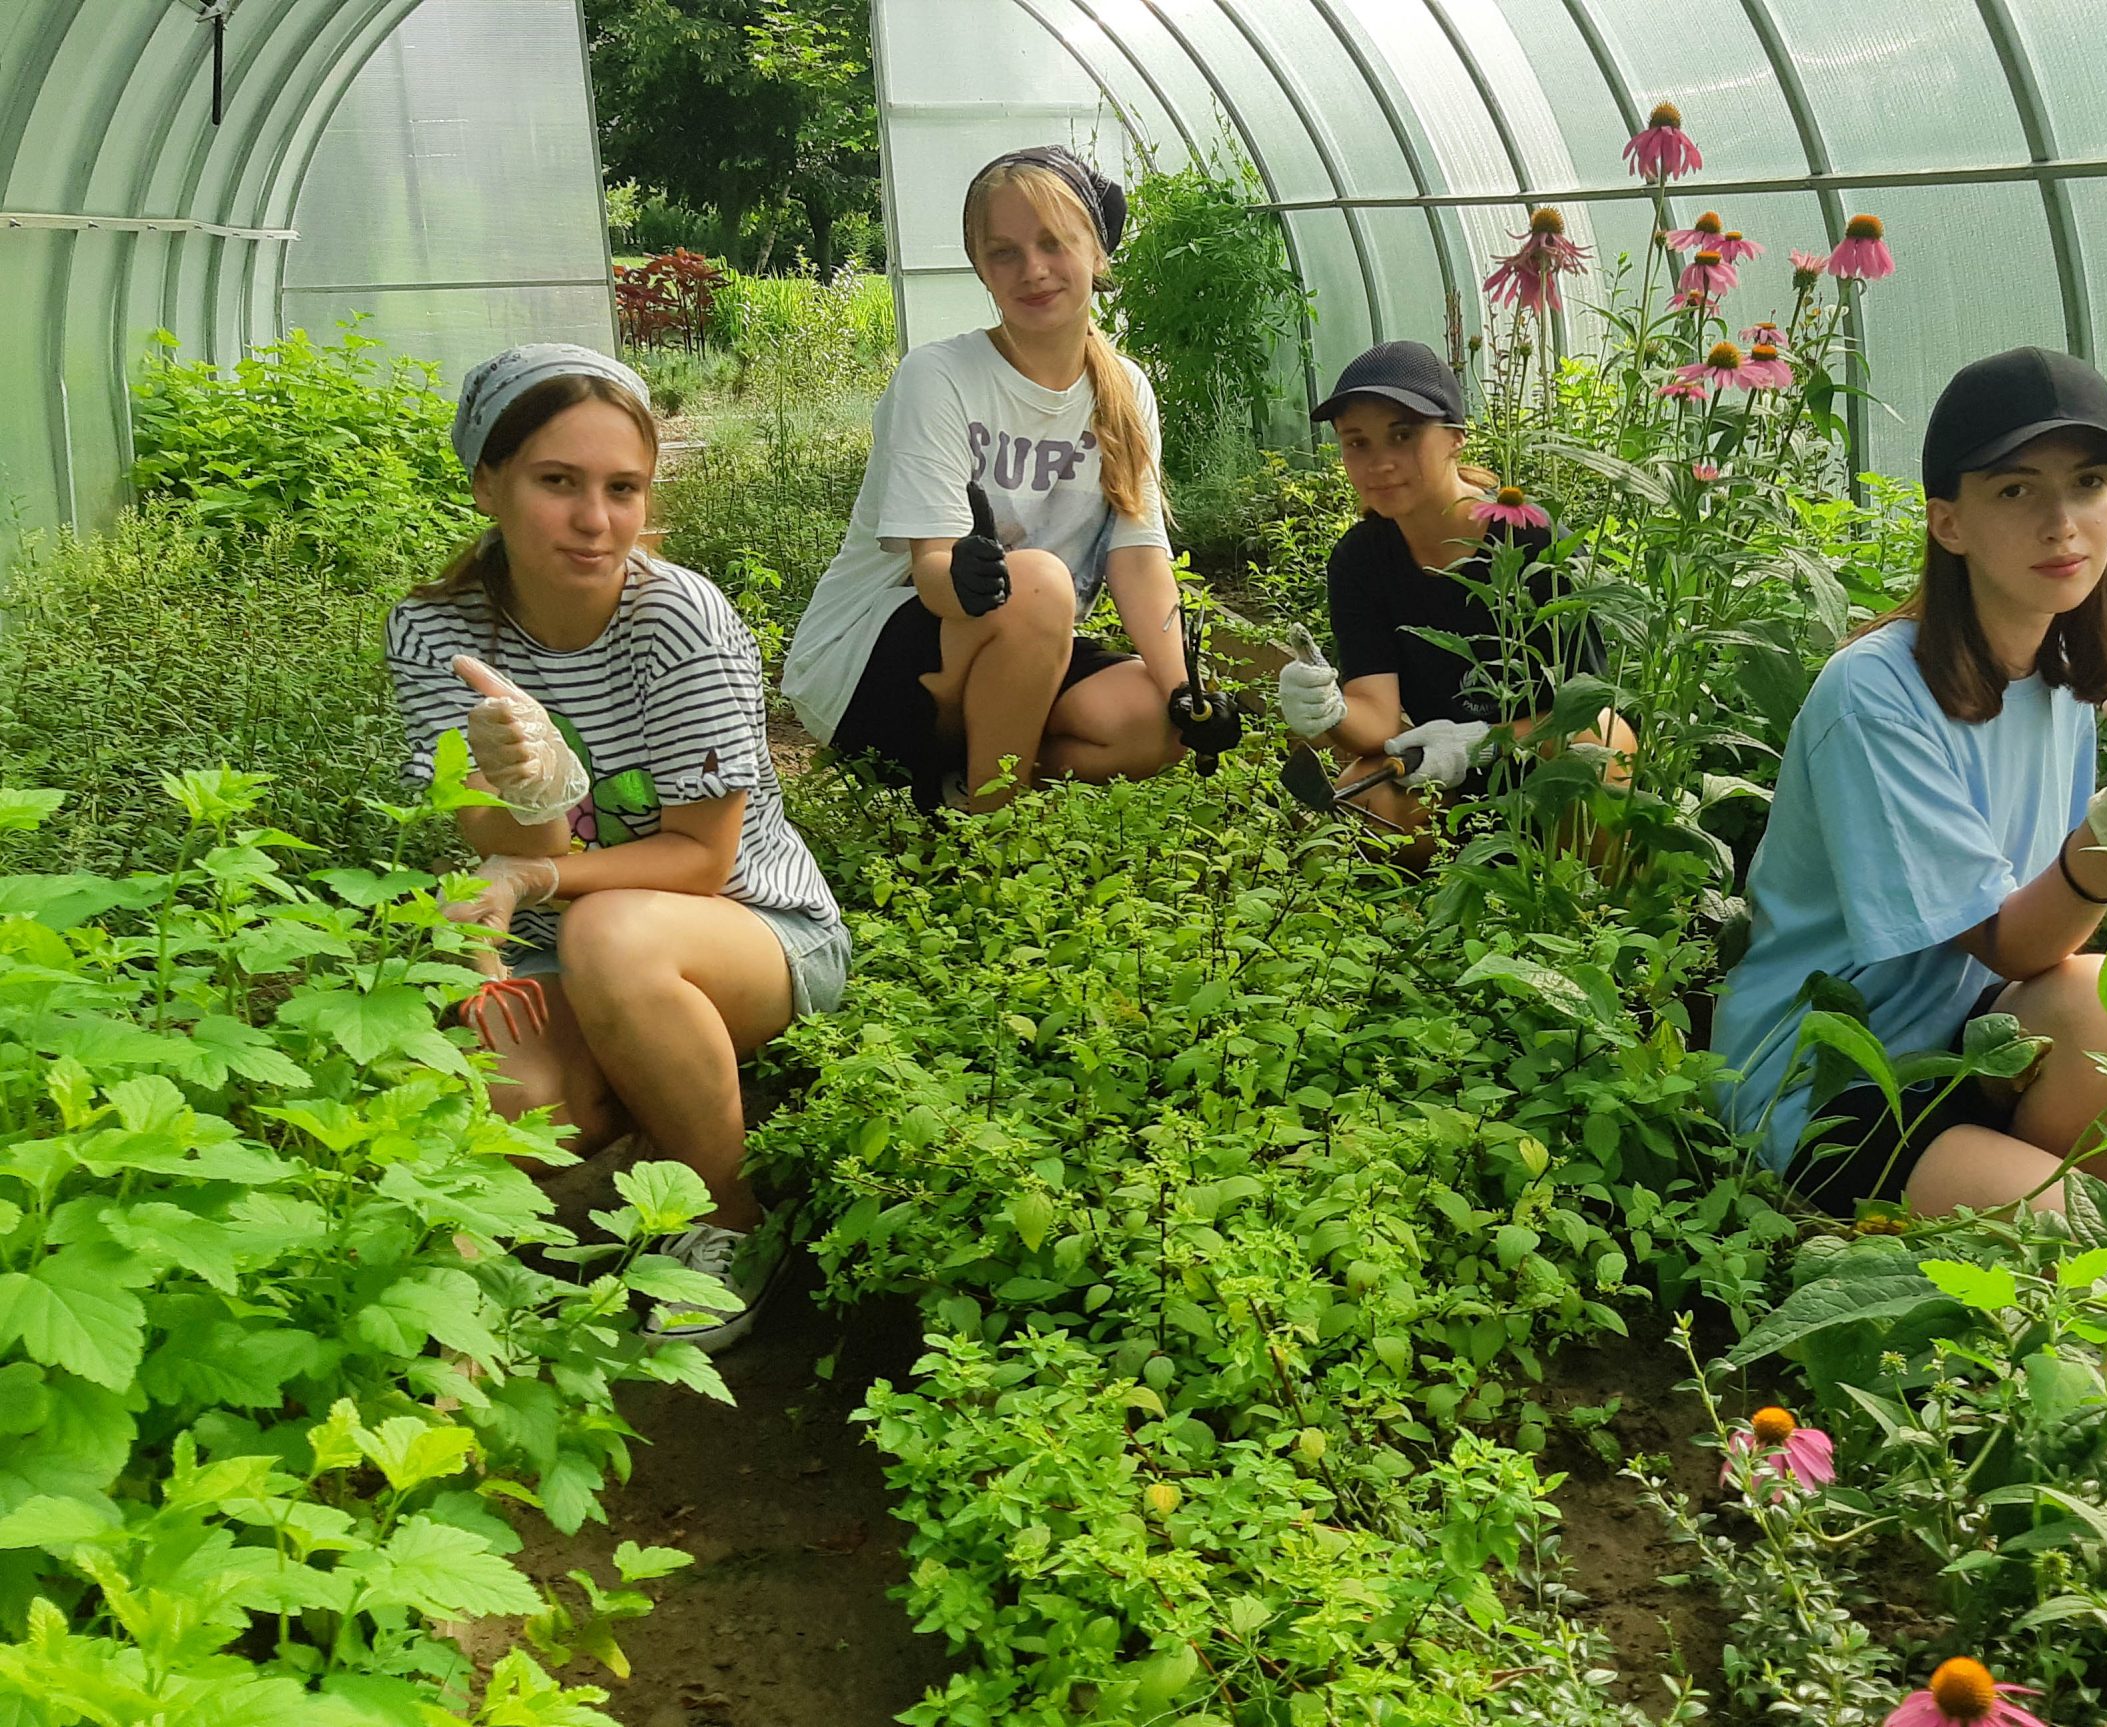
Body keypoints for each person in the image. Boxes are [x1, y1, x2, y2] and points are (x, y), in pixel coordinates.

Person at [386, 343, 849, 1352]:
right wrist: (529, 781)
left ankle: (729, 1213)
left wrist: (540, 872)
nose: (595, 520)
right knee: (512, 1094)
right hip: (562, 941)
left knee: (612, 938)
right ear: (487, 483)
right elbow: (502, 838)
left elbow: (702, 859)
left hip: (752, 928)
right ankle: (662, 1093)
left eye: (622, 487)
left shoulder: (677, 619)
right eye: (558, 482)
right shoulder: (435, 632)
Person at [1711, 346, 2107, 1218]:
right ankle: (1968, 1230)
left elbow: (2042, 949)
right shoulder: (1876, 693)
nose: (2063, 523)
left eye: (2090, 481)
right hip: (1828, 1072)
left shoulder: (2057, 672)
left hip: (1960, 1039)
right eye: (2016, 490)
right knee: (2081, 1236)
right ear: (1948, 522)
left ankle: (1979, 1245)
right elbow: (2007, 941)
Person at [782, 146, 1236, 813]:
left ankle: (951, 779)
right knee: (1040, 581)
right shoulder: (940, 377)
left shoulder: (1126, 389)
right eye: (1004, 253)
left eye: (1054, 243)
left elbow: (1138, 560)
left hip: (1021, 646)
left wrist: (1184, 692)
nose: (1033, 270)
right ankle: (986, 819)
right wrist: (962, 575)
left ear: (1097, 254)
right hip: (869, 666)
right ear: (983, 272)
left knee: (1148, 719)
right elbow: (933, 573)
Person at [1275, 340, 1632, 834]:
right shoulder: (1361, 559)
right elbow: (1377, 720)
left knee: (1606, 749)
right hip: (1444, 777)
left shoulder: (1531, 539)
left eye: (1402, 436)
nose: (1379, 463)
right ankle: (1462, 881)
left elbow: (1589, 712)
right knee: (1359, 808)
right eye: (1357, 442)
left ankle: (1583, 888)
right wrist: (1327, 709)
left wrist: (1480, 740)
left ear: (1456, 438)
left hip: (1546, 753)